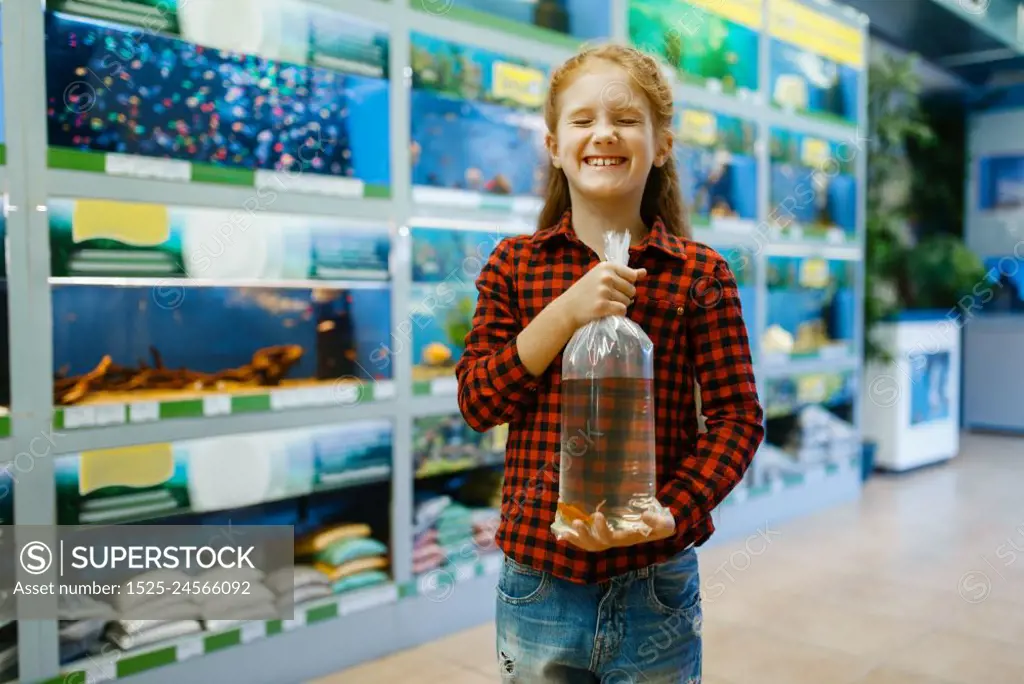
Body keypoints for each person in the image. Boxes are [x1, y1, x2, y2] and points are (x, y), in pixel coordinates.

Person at [454, 43, 764, 683]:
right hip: (539, 580)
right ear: (553, 144)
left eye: (625, 119)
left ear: (662, 144)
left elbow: (738, 419)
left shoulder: (699, 275)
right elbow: (479, 404)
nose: (604, 134)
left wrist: (672, 510)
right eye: (582, 119)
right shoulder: (515, 266)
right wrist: (563, 314)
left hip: (657, 582)